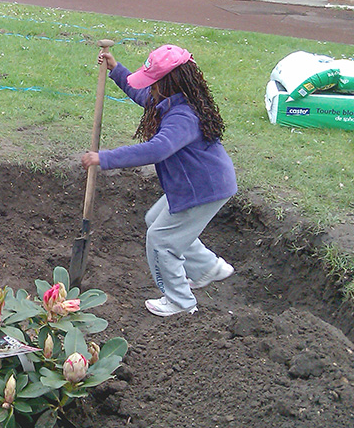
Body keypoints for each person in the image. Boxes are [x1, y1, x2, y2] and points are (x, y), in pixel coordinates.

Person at [81, 44, 237, 317]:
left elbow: (157, 149)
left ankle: (180, 301)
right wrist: (116, 70)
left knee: (161, 239)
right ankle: (207, 268)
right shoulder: (169, 101)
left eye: (153, 82)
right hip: (200, 184)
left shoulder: (184, 116)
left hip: (201, 189)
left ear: (169, 82)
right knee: (157, 220)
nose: (149, 88)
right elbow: (139, 93)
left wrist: (103, 158)